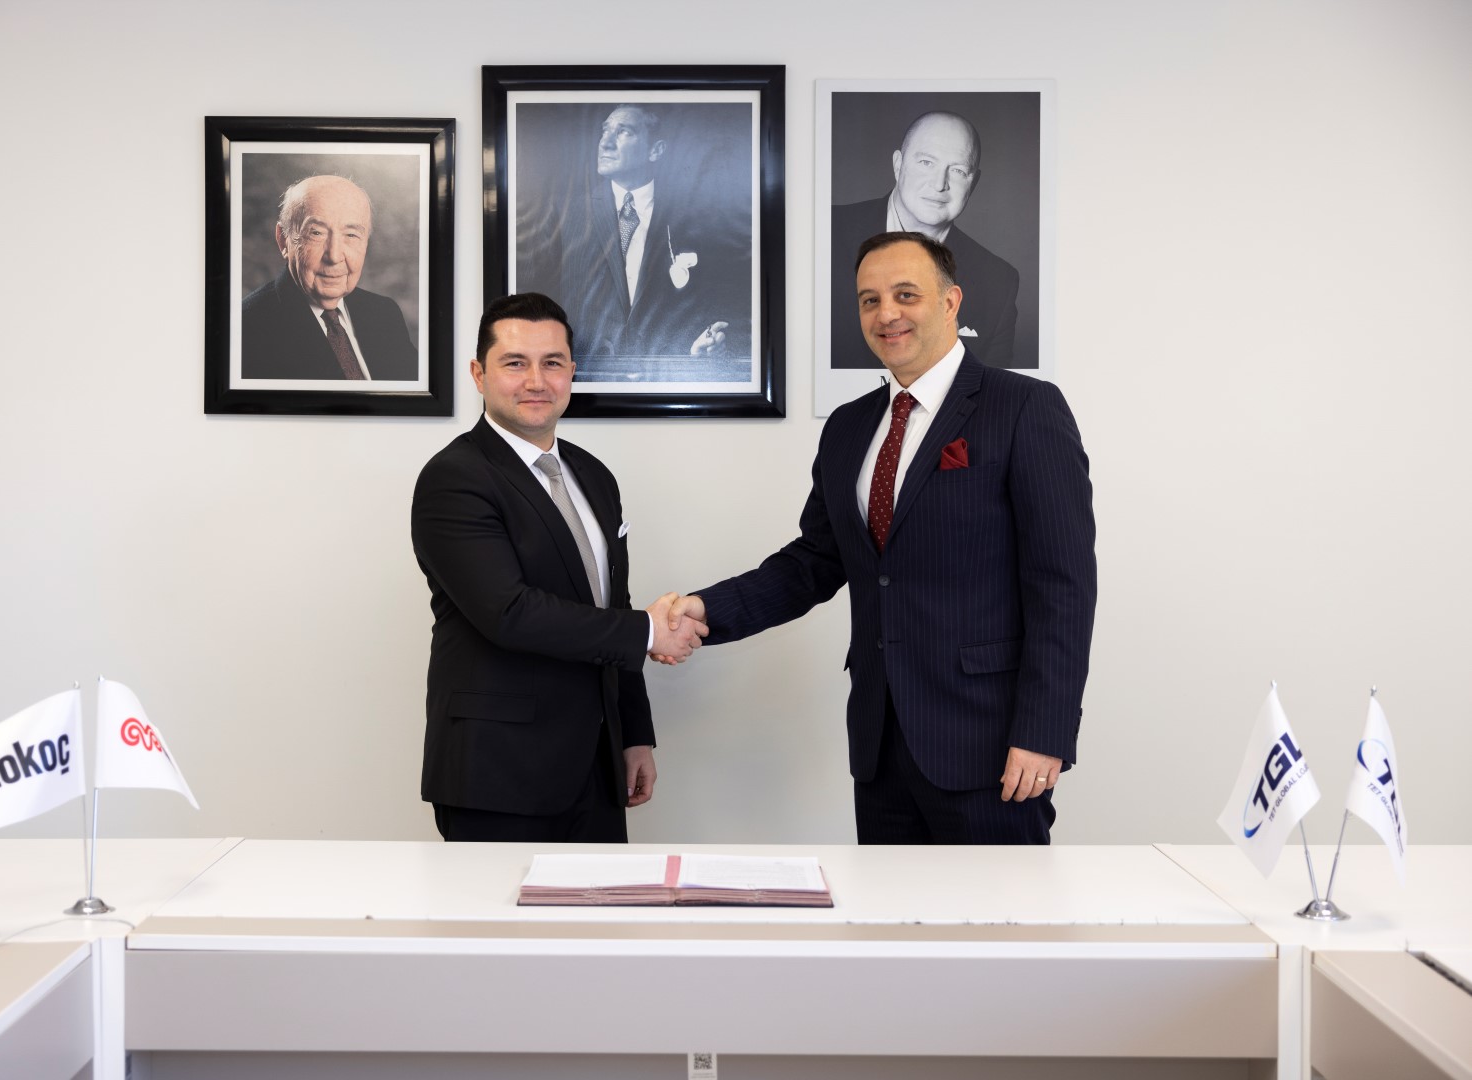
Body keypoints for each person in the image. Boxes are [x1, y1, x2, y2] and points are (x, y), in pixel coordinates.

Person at [664, 233, 1094, 844]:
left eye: (905, 294)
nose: (886, 313)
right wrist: (705, 610)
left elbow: (1063, 587)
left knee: (999, 909)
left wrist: (1044, 731)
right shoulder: (848, 427)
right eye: (870, 300)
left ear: (951, 302)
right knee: (887, 909)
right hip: (880, 743)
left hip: (992, 746)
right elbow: (815, 561)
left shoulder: (1025, 407)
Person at [411, 293, 707, 842]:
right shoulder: (454, 477)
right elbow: (509, 612)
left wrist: (633, 734)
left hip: (596, 767)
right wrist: (648, 631)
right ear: (478, 374)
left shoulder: (593, 475)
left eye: (552, 362)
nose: (536, 381)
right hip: (497, 773)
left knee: (603, 903)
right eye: (514, 363)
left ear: (572, 372)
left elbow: (612, 605)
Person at [520, 105, 749, 364]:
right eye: (605, 131)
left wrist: (701, 347)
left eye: (624, 132)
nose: (605, 143)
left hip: (664, 375)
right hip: (584, 376)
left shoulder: (694, 218)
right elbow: (535, 304)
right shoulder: (565, 214)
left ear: (655, 150)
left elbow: (714, 305)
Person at [831, 112, 1022, 370]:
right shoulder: (826, 231)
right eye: (926, 162)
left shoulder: (999, 281)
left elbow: (994, 388)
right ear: (898, 165)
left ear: (973, 182)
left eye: (958, 170)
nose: (939, 184)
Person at [241, 174, 418, 381]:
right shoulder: (247, 329)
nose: (334, 256)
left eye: (351, 235)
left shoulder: (385, 313)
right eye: (316, 233)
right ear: (283, 240)